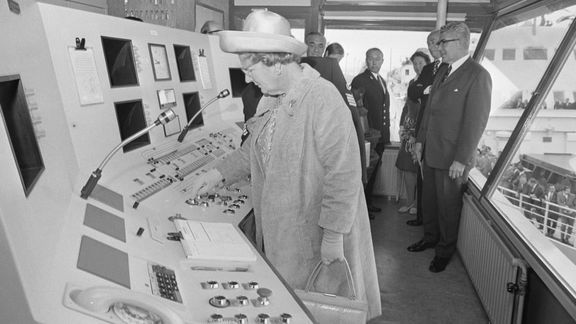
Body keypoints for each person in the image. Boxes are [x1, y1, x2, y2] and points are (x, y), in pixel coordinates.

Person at [191, 10, 381, 319]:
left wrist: (333, 237)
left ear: (277, 62)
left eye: (250, 69)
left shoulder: (322, 98)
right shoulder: (270, 100)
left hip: (317, 239)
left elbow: (344, 173)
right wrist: (216, 174)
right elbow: (251, 151)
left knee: (316, 310)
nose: (247, 79)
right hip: (284, 237)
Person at [408, 22, 492, 273]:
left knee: (448, 207)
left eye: (444, 42)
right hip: (431, 151)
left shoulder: (477, 75)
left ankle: (444, 251)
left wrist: (461, 159)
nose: (439, 47)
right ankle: (430, 237)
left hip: (452, 158)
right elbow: (429, 113)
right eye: (439, 42)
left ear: (463, 43)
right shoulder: (442, 70)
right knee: (430, 202)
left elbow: (475, 122)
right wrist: (420, 141)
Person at [406, 29, 443, 227]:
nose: (432, 47)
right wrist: (425, 88)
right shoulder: (430, 70)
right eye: (429, 43)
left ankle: (432, 227)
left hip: (439, 135)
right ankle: (421, 218)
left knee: (436, 187)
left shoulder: (449, 68)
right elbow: (413, 91)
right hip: (422, 131)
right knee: (423, 179)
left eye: (435, 42)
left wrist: (426, 89)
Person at [351, 48, 391, 216]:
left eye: (378, 59)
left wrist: (386, 135)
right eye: (371, 59)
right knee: (364, 172)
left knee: (373, 171)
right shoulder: (360, 80)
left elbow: (384, 109)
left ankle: (368, 202)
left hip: (379, 135)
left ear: (382, 61)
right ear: (366, 61)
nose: (374, 62)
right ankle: (361, 208)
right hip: (368, 135)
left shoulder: (381, 79)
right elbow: (357, 110)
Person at [395, 51, 430, 216]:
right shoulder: (411, 83)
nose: (417, 67)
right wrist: (402, 127)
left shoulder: (431, 83)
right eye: (415, 63)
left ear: (428, 64)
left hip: (421, 131)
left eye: (420, 63)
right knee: (407, 168)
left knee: (419, 168)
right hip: (408, 130)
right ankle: (409, 201)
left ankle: (419, 203)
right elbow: (405, 108)